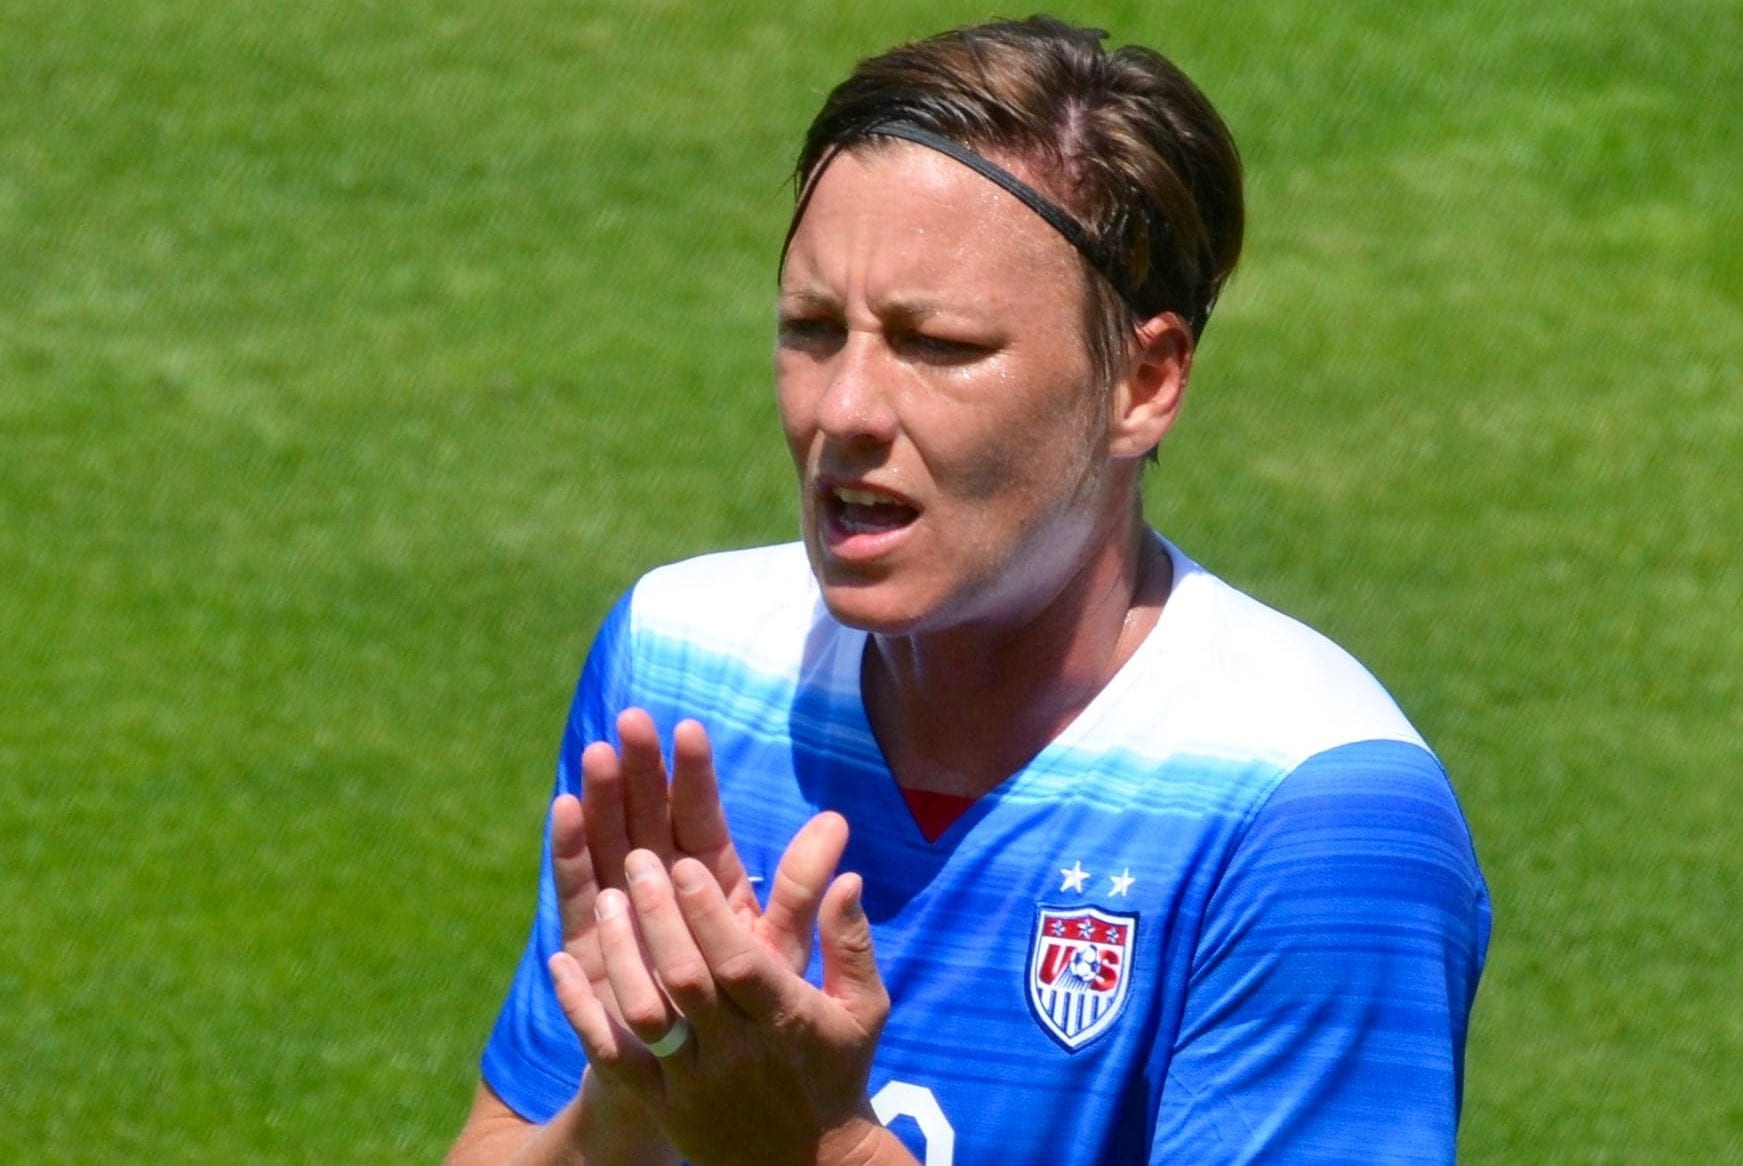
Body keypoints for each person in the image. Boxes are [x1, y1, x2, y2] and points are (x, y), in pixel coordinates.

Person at [447, 15, 1490, 1165]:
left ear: (1143, 383)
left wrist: (818, 1147)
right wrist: (634, 1108)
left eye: (935, 344)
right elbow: (512, 1135)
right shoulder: (683, 668)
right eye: (810, 330)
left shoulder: (1314, 814)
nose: (843, 410)